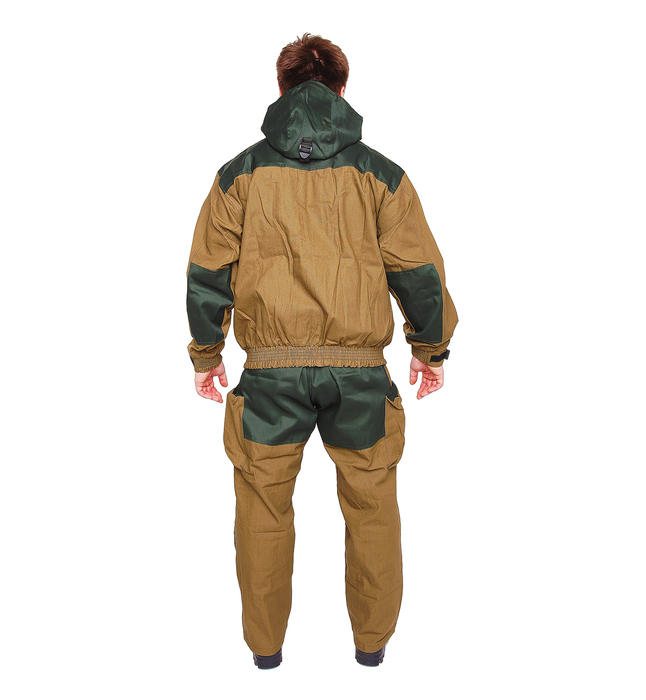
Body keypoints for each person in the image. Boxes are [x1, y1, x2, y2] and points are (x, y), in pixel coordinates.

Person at [185, 33, 458, 669]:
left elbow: (207, 271)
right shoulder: (382, 176)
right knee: (372, 508)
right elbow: (419, 271)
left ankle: (265, 653)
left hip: (269, 379)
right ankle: (372, 647)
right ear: (341, 89)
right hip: (358, 378)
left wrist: (207, 353)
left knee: (262, 510)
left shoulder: (238, 176)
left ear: (281, 88)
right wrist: (430, 348)